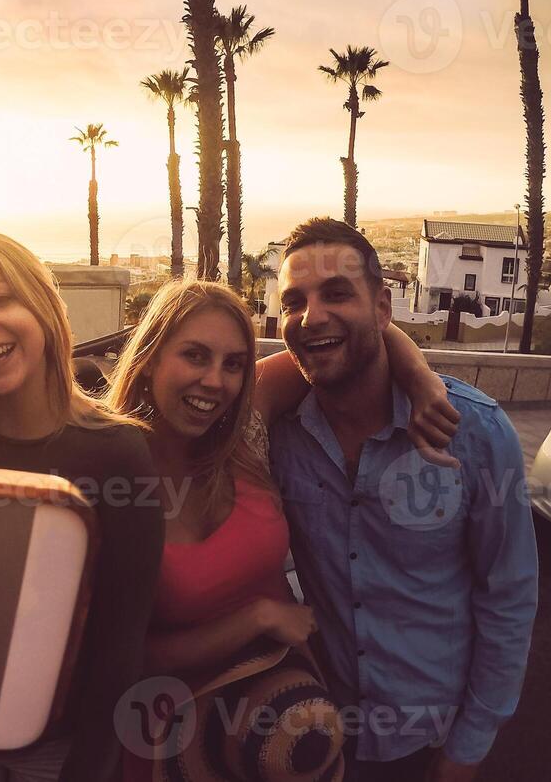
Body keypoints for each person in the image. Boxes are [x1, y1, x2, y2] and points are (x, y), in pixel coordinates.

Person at [104, 281, 457, 781]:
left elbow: (354, 341)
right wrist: (258, 618)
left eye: (233, 364)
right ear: (149, 358)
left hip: (286, 725)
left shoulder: (242, 433)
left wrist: (422, 381)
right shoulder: (109, 476)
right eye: (194, 355)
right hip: (184, 738)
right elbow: (122, 653)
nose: (214, 381)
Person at [269, 218, 538, 782]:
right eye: (294, 301)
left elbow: (507, 597)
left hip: (435, 739)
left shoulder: (476, 433)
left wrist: (469, 747)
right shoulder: (279, 435)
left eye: (337, 293)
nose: (312, 315)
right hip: (322, 732)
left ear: (384, 308)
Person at [0, 230, 165, 782]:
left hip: (62, 742)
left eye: (0, 299)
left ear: (44, 306)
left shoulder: (117, 452)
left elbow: (121, 641)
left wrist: (89, 766)